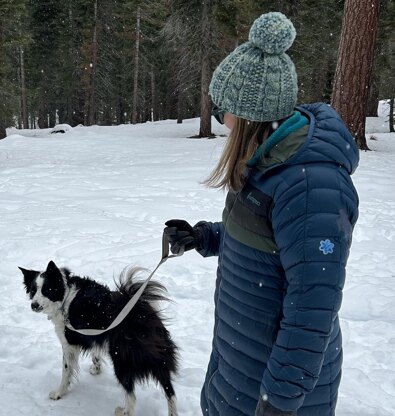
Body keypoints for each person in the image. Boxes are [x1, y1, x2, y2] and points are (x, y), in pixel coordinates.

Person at [164, 12, 359, 416]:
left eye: (224, 110)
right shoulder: (266, 161)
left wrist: (281, 401)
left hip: (276, 388)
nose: (221, 120)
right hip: (240, 366)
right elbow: (267, 243)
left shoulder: (308, 186)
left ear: (250, 114)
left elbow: (312, 306)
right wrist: (204, 237)